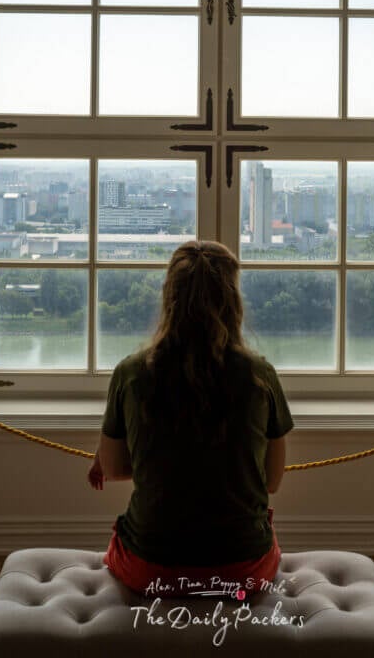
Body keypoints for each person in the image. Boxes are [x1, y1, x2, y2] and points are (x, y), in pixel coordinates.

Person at [87, 240, 294, 598]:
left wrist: (163, 456)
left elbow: (116, 468)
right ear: (233, 301)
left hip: (151, 568)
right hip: (242, 569)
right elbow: (272, 481)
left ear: (170, 297)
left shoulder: (131, 373)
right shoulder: (260, 375)